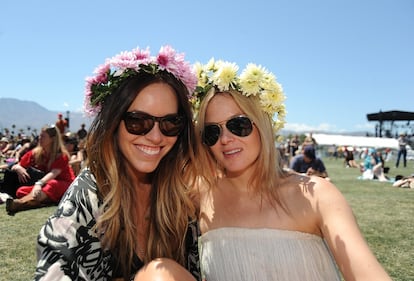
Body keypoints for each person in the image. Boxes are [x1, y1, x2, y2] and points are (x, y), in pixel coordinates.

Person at [193, 59, 392, 281]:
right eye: (212, 132)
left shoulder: (316, 195)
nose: (225, 139)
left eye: (238, 125)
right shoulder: (201, 196)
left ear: (263, 125)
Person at [34, 45, 201, 281]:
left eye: (170, 123)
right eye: (137, 121)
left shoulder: (178, 196)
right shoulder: (90, 193)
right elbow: (53, 266)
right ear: (114, 123)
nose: (155, 136)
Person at [5, 126, 75, 215]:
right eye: (40, 136)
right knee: (21, 191)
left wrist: (39, 184)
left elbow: (53, 174)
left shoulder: (61, 155)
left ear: (52, 139)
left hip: (65, 185)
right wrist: (18, 168)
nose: (39, 138)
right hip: (45, 185)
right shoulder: (36, 153)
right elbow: (17, 165)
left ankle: (19, 203)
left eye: (43, 136)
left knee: (52, 184)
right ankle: (44, 200)